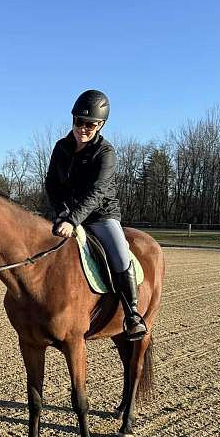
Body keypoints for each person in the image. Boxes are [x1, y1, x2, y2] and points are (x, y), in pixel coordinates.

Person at [45, 89, 147, 340]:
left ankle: (132, 314)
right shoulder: (61, 147)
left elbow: (96, 192)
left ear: (100, 125)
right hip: (67, 214)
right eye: (79, 121)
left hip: (101, 215)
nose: (83, 128)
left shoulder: (105, 152)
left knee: (121, 255)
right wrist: (61, 214)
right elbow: (52, 184)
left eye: (90, 124)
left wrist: (72, 220)